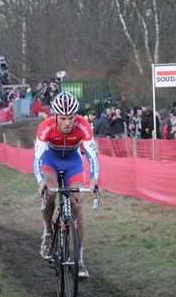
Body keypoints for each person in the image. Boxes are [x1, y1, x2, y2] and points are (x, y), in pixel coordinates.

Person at [33, 92, 99, 278]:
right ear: (56, 116)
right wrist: (41, 182)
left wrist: (94, 180)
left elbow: (92, 156)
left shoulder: (83, 125)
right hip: (51, 162)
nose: (67, 122)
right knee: (50, 194)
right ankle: (48, 230)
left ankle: (79, 260)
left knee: (77, 203)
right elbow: (37, 158)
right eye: (63, 118)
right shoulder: (46, 126)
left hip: (73, 163)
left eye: (71, 118)